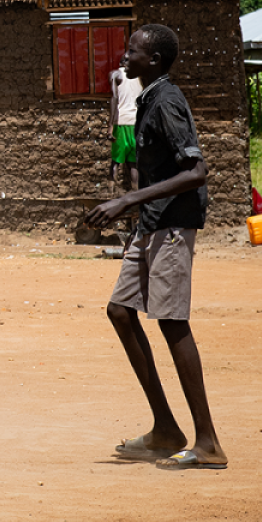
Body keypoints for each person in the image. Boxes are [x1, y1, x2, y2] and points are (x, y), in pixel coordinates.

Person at [82, 23, 226, 471]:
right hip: (151, 224)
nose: (124, 58)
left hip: (173, 226)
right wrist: (133, 211)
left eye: (133, 52)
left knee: (171, 320)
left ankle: (208, 443)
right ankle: (165, 427)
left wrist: (127, 199)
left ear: (155, 61)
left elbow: (196, 171)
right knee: (120, 311)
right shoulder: (146, 98)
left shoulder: (167, 100)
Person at [108, 59, 143, 192]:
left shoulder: (115, 74)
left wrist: (110, 124)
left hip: (121, 122)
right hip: (135, 123)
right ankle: (136, 194)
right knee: (133, 164)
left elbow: (114, 97)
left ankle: (109, 193)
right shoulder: (140, 77)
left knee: (116, 161)